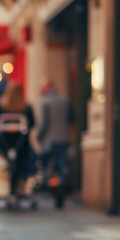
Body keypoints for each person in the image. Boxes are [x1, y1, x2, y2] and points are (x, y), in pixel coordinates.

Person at [37, 78, 73, 208]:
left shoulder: (45, 102)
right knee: (61, 166)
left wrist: (39, 137)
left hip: (50, 141)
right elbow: (71, 120)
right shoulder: (65, 100)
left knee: (50, 167)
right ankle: (61, 189)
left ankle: (52, 189)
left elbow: (44, 124)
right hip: (64, 139)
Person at [0, 82, 35, 195]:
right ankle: (19, 188)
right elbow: (32, 124)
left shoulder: (2, 108)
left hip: (5, 144)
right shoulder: (26, 108)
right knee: (22, 164)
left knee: (8, 166)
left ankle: (11, 189)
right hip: (22, 144)